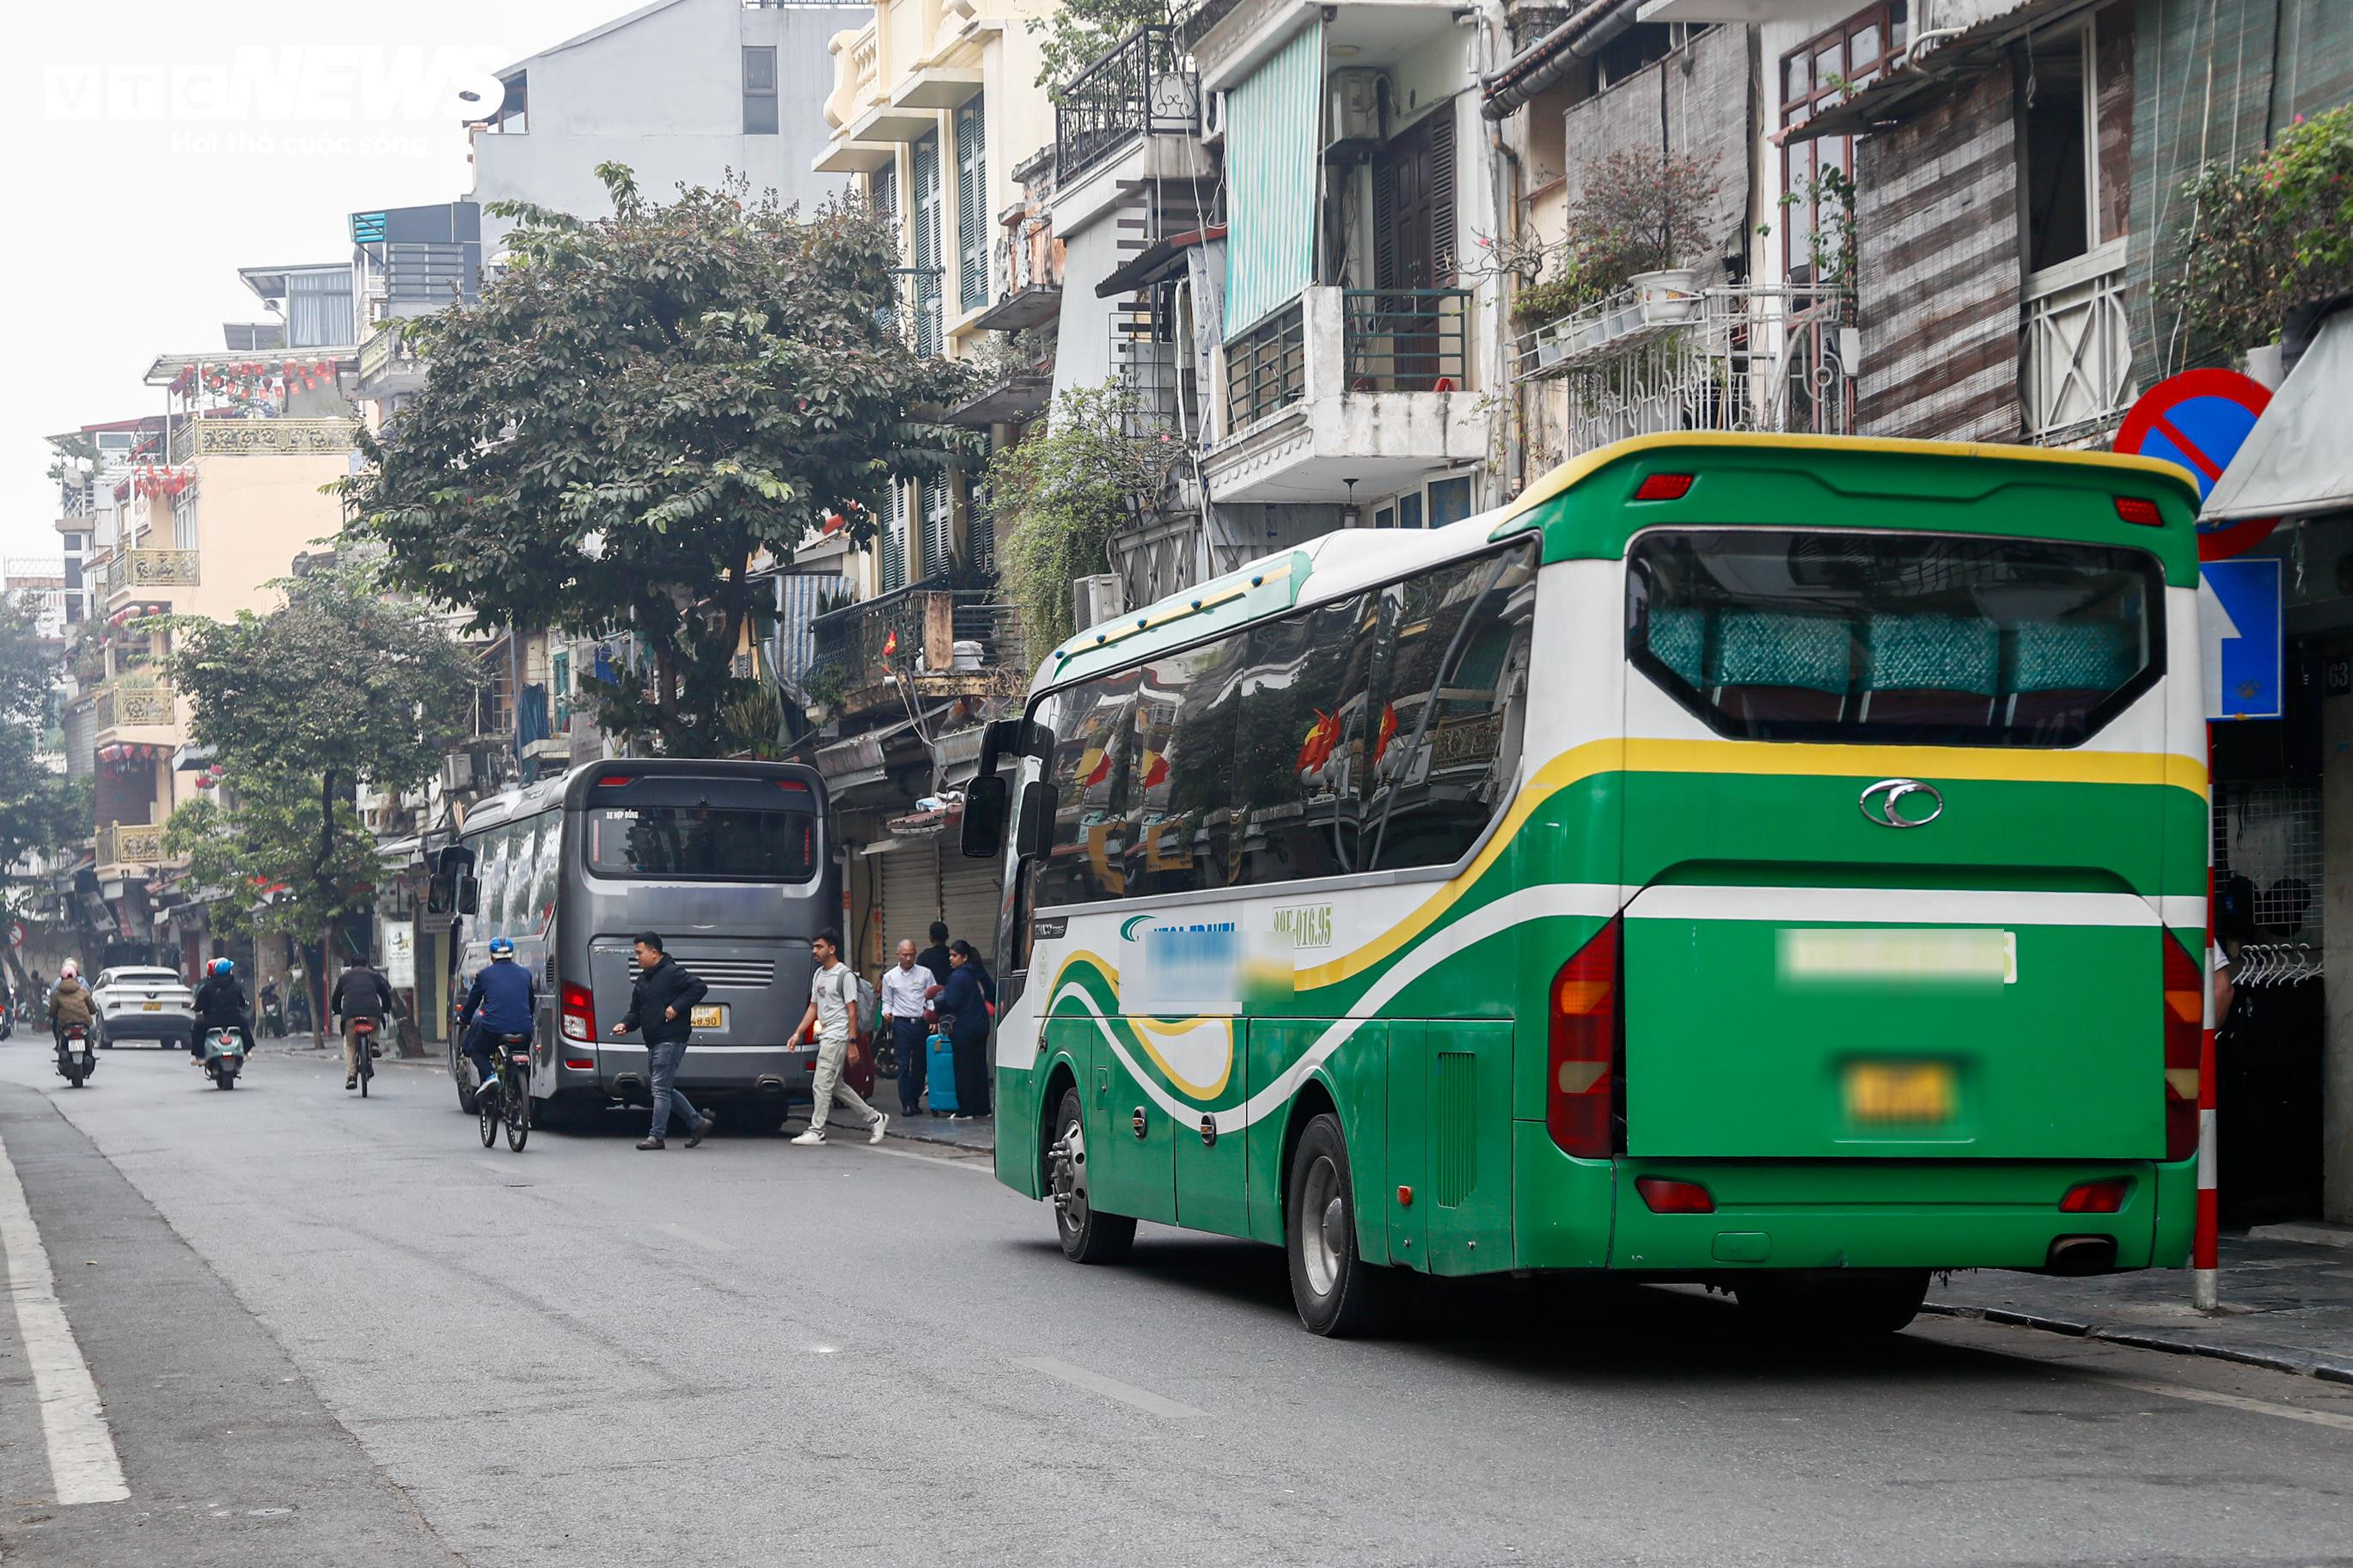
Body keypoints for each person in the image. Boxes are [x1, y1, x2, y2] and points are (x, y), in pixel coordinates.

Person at [611, 931, 714, 1150]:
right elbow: (636, 1011)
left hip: (672, 1038)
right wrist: (625, 1024)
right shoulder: (643, 980)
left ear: (654, 953)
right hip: (654, 1039)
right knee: (663, 1087)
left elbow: (699, 987)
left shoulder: (672, 972)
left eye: (639, 953)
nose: (636, 957)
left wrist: (676, 1007)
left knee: (659, 1087)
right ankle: (697, 1122)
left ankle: (656, 1136)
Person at [791, 928, 887, 1146]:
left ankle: (817, 1130)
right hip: (827, 1035)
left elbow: (852, 1011)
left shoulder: (844, 975)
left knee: (821, 1083)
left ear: (832, 949)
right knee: (836, 1085)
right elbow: (813, 1007)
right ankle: (875, 1118)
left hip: (838, 1035)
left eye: (819, 946)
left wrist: (852, 1043)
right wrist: (797, 1033)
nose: (814, 951)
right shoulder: (818, 975)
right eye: (814, 946)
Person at [934, 939, 995, 1121]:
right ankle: (983, 1107)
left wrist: (938, 1002)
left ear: (965, 957)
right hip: (981, 1026)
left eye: (955, 955)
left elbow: (951, 1002)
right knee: (978, 1068)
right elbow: (992, 992)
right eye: (950, 955)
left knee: (963, 1070)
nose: (951, 959)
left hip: (963, 1028)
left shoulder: (958, 976)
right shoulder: (979, 973)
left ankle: (966, 1109)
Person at [880, 939, 932, 1118]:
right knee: (903, 1065)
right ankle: (907, 1103)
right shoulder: (890, 977)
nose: (909, 958)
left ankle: (915, 1099)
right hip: (901, 1024)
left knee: (920, 1065)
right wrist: (886, 1012)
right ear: (898, 955)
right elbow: (887, 1001)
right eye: (905, 955)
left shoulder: (925, 974)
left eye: (912, 954)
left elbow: (931, 997)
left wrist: (933, 1016)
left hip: (920, 1023)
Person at [330, 955, 396, 1090]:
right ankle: (374, 1043)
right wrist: (385, 1009)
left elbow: (336, 998)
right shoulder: (373, 976)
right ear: (366, 965)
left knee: (350, 1046)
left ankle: (351, 1077)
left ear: (351, 966)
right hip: (372, 1013)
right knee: (376, 1025)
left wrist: (337, 1010)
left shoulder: (344, 978)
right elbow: (385, 993)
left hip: (350, 1016)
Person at [191, 958, 254, 1062]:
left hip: (212, 1020)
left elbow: (199, 1006)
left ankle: (199, 1056)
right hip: (234, 1019)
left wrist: (197, 1007)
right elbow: (242, 1003)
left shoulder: (207, 987)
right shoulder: (236, 986)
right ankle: (246, 1051)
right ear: (229, 971)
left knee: (197, 1027)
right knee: (245, 1025)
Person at [46, 961, 95, 1053]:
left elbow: (52, 1008)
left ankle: (58, 1043)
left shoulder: (58, 991)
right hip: (83, 1021)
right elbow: (92, 1006)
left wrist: (51, 1014)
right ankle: (90, 1044)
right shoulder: (83, 988)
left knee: (57, 1027)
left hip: (65, 1023)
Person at [917, 921, 952, 992]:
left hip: (930, 998)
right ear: (947, 936)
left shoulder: (923, 957)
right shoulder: (955, 956)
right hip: (952, 996)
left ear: (930, 937)